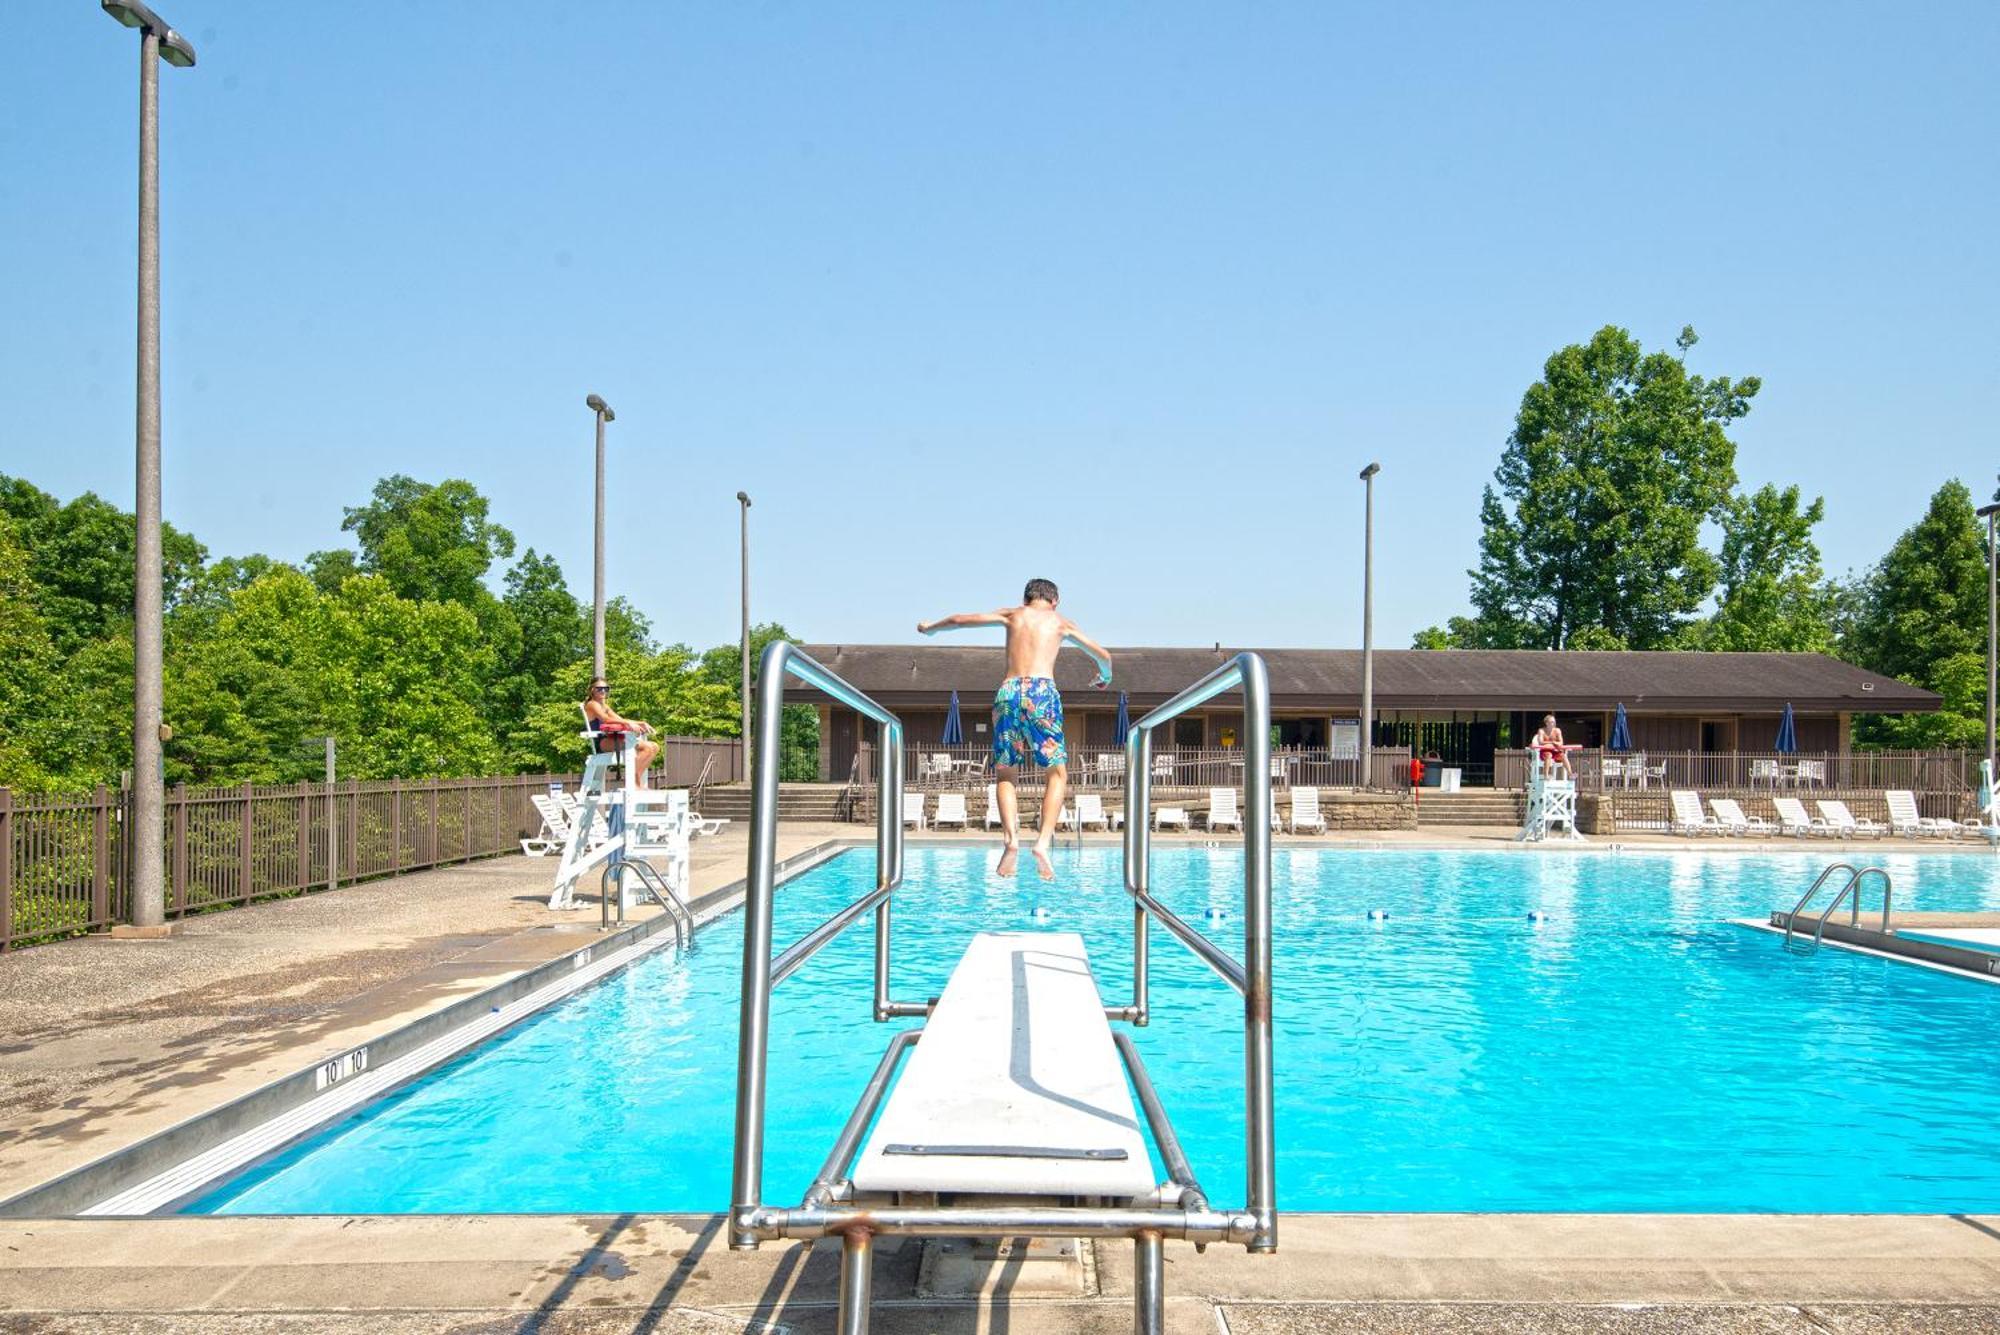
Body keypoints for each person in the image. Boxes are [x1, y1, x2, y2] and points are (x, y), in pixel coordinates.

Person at [918, 578, 1112, 881]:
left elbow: (959, 620)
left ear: (1025, 599)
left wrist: (930, 627)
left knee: (1006, 773)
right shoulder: (1061, 622)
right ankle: (1043, 844)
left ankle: (1011, 840)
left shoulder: (1013, 615)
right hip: (1042, 694)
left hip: (1009, 693)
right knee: (1057, 774)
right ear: (1055, 601)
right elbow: (1104, 656)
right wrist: (1105, 677)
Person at [583, 677, 659, 786]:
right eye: (599, 688)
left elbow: (619, 718)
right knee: (646, 747)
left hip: (613, 739)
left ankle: (635, 779)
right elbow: (606, 719)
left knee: (654, 747)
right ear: (592, 690)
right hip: (602, 742)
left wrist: (640, 722)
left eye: (606, 688)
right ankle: (634, 782)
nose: (603, 691)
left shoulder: (604, 705)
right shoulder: (592, 704)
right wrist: (628, 724)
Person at [1530, 714, 1570, 778]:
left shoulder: (1557, 730)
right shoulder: (1541, 730)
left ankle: (1570, 774)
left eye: (1554, 722)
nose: (1553, 723)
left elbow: (1561, 742)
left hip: (1555, 751)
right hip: (1545, 751)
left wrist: (1554, 744)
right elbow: (1540, 742)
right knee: (1548, 755)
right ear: (1546, 723)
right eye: (1551, 722)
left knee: (1563, 756)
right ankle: (1546, 775)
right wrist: (1553, 742)